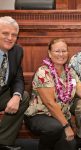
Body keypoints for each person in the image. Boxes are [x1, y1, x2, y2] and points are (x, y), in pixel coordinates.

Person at [24, 38, 81, 150]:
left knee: (71, 146)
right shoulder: (43, 72)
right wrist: (66, 126)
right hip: (40, 115)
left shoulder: (70, 72)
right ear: (49, 53)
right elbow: (50, 104)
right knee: (54, 128)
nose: (61, 54)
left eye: (64, 51)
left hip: (61, 116)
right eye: (57, 51)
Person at [0, 16, 29, 150]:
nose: (10, 38)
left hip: (2, 93)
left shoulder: (17, 51)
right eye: (5, 33)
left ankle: (3, 141)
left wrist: (17, 96)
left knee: (24, 96)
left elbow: (18, 77)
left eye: (14, 35)